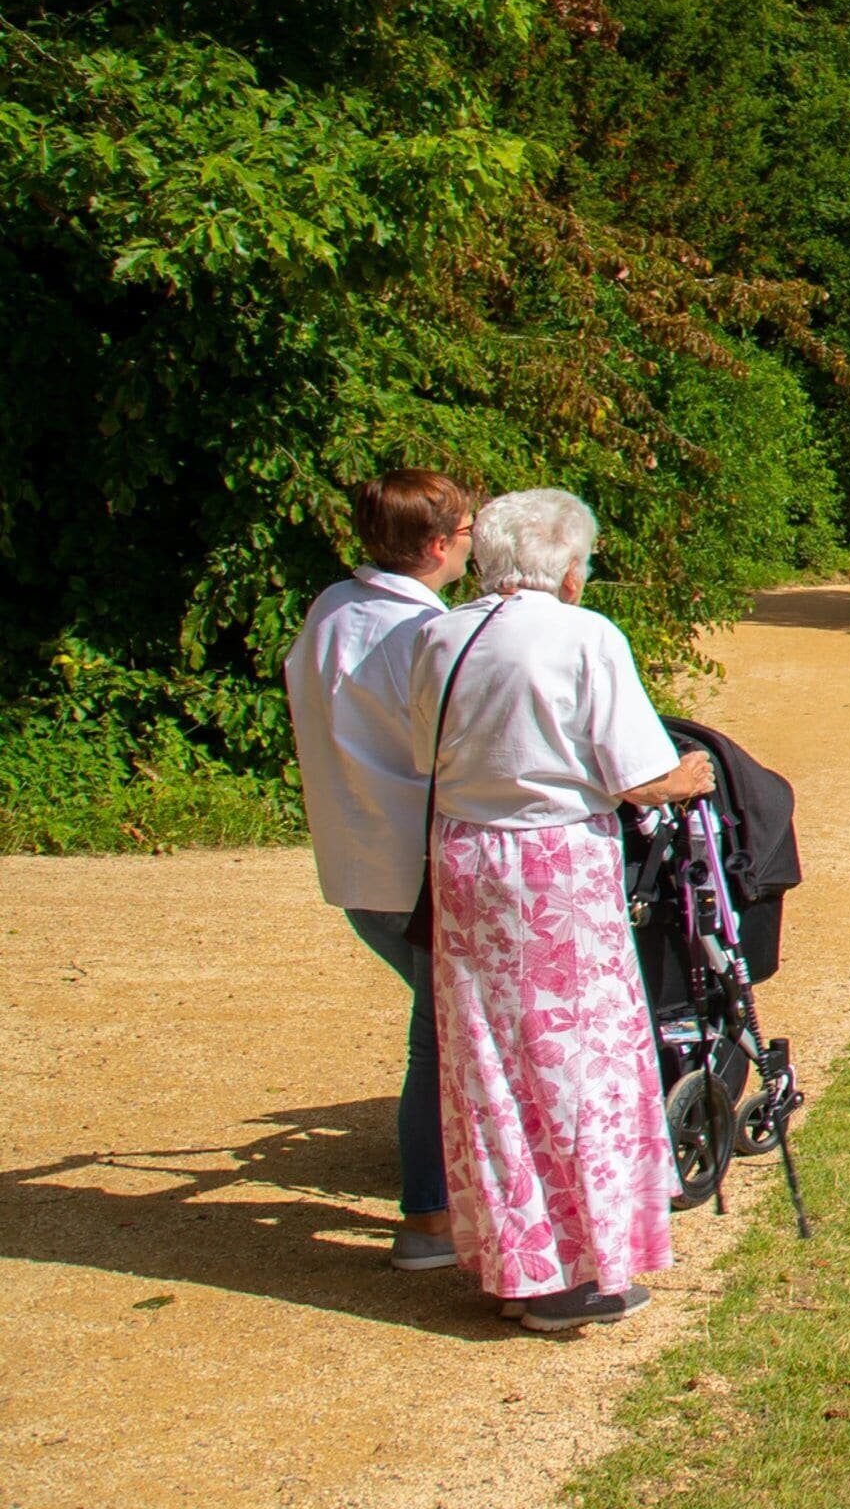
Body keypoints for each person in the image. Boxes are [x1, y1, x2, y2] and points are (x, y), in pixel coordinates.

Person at [394, 488, 709, 1332]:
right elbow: (637, 775)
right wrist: (687, 777)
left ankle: (519, 1263)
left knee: (490, 1064)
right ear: (568, 570)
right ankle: (580, 1271)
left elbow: (427, 751)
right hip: (553, 866)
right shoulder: (583, 636)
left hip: (464, 859)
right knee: (577, 1061)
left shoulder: (441, 636)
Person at [281, 469, 478, 1271]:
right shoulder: (425, 635)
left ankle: (453, 1194)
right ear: (435, 546)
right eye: (466, 532)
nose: (472, 544)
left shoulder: (331, 608)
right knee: (439, 1042)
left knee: (447, 1029)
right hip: (415, 866)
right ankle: (428, 1218)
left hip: (354, 859)